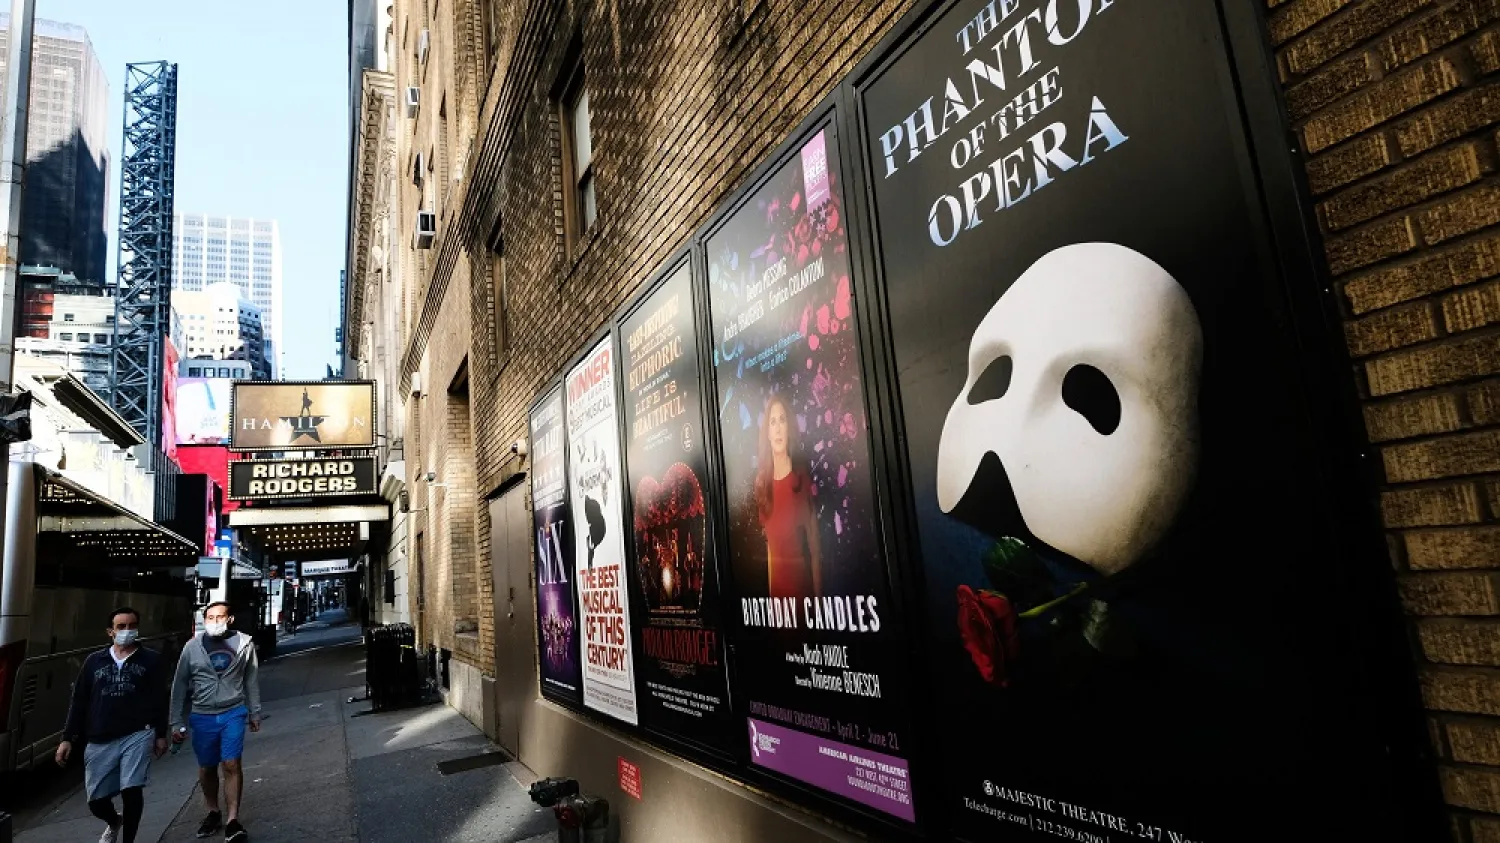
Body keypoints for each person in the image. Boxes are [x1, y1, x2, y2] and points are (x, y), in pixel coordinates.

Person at [55, 607, 170, 843]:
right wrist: (67, 738)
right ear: (110, 631)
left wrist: (160, 733)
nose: (127, 631)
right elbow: (79, 700)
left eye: (132, 626)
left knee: (132, 789)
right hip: (100, 736)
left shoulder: (151, 660)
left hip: (138, 732)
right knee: (96, 800)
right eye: (121, 627)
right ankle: (114, 820)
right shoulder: (93, 662)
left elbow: (160, 699)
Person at [170, 601, 261, 842]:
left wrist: (255, 712)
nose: (214, 621)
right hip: (202, 715)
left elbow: (251, 678)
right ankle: (213, 811)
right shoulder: (192, 647)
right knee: (207, 767)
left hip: (233, 711)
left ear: (230, 619)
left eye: (219, 617)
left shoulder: (244, 643)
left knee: (231, 763)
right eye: (209, 617)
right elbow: (179, 684)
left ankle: (233, 820)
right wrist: (174, 721)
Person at [754, 394, 823, 599]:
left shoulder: (802, 479)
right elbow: (770, 554)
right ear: (767, 432)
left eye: (782, 420)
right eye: (772, 422)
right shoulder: (762, 485)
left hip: (804, 601)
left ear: (789, 428)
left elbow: (816, 553)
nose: (777, 428)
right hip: (779, 609)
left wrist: (819, 612)